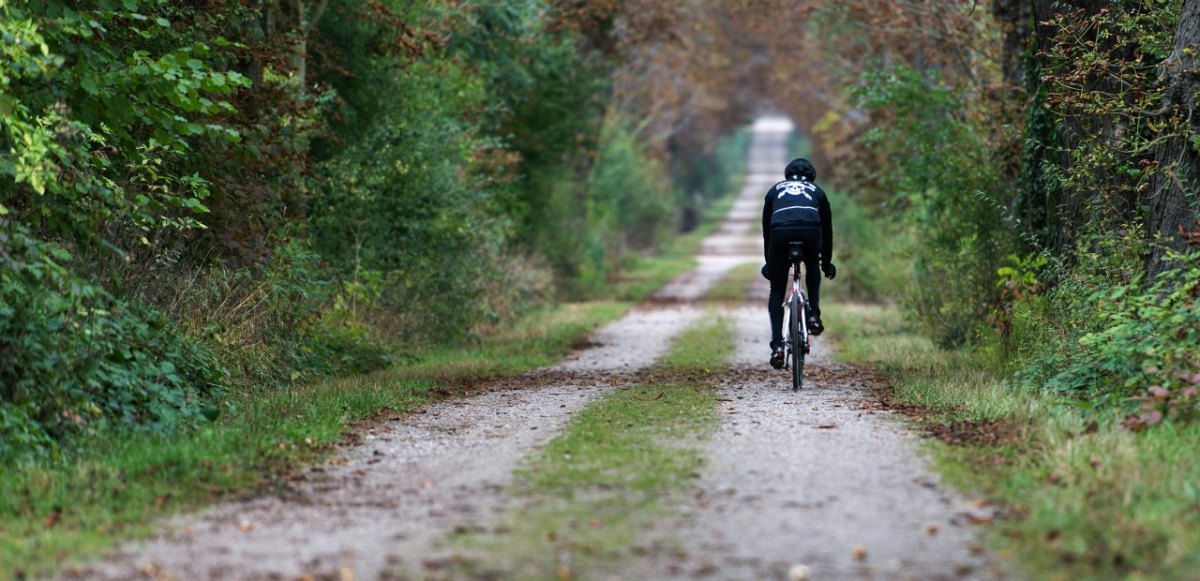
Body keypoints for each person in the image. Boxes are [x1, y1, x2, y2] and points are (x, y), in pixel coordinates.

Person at [761, 157, 836, 370]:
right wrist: (826, 263)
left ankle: (777, 346)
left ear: (787, 175)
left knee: (776, 291)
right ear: (811, 176)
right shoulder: (817, 191)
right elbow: (827, 232)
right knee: (812, 264)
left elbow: (767, 231)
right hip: (810, 231)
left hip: (780, 234)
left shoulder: (775, 190)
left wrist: (770, 262)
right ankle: (813, 316)